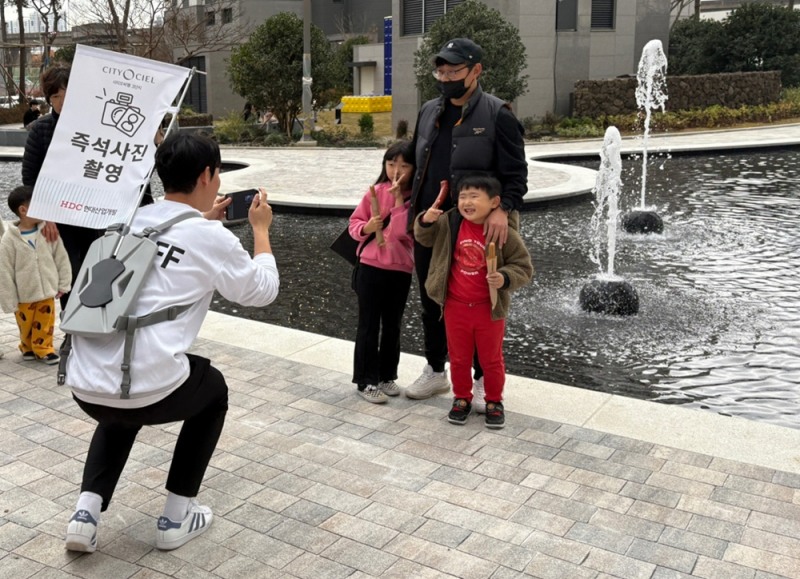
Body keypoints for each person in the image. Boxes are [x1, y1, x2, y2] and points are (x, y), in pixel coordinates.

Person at [62, 132, 280, 553]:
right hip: (148, 390)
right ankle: (176, 516)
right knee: (212, 390)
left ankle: (84, 515)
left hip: (84, 384)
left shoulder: (126, 220)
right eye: (217, 174)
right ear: (207, 175)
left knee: (120, 403)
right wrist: (260, 231)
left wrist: (204, 225)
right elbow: (262, 291)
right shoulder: (211, 238)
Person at [405, 38, 528, 406]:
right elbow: (416, 163)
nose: (445, 78)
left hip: (477, 227)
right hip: (433, 223)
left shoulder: (497, 115)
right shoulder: (429, 110)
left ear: (476, 71)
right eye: (440, 71)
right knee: (432, 295)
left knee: (476, 300)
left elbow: (517, 175)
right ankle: (435, 370)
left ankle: (479, 377)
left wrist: (503, 210)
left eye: (453, 71)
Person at [415, 174, 532, 429]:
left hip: (488, 309)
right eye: (463, 196)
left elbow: (523, 267)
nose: (466, 202)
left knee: (491, 359)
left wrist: (504, 278)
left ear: (495, 202)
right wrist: (425, 221)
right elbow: (424, 238)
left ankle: (493, 400)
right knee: (458, 358)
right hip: (456, 305)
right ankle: (461, 398)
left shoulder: (502, 232)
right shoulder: (450, 222)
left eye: (474, 196)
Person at [22, 64, 99, 309]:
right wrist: (46, 215)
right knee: (68, 273)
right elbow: (30, 179)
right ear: (48, 99)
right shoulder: (40, 130)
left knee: (95, 269)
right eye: (56, 97)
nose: (62, 103)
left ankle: (94, 328)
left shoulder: (96, 127)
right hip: (58, 216)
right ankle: (71, 328)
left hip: (92, 213)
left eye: (68, 96)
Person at [348, 141, 415, 403]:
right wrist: (367, 227)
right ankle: (365, 380)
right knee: (368, 324)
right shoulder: (375, 192)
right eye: (391, 164)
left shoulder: (416, 198)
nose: (396, 170)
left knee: (392, 325)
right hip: (370, 267)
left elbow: (402, 234)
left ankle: (387, 376)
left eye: (404, 165)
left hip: (400, 269)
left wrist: (399, 201)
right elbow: (354, 225)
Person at [0, 186, 71, 365]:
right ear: (23, 211)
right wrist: (8, 299)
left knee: (45, 323)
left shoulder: (47, 232)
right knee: (25, 325)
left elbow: (61, 257)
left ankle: (44, 348)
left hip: (47, 289)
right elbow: (4, 271)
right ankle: (27, 346)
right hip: (23, 293)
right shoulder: (9, 239)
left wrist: (64, 283)